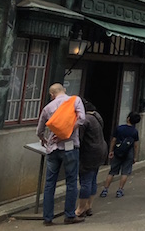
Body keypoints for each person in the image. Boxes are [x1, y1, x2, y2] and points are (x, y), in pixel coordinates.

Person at [36, 83, 86, 226]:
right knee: (71, 182)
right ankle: (69, 215)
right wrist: (68, 131)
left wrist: (43, 139)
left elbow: (39, 130)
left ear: (52, 95)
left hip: (52, 148)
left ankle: (47, 217)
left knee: (49, 183)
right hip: (70, 147)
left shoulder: (48, 108)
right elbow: (81, 119)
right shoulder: (75, 100)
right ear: (64, 90)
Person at [75, 100, 108, 218]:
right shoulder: (96, 116)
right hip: (101, 150)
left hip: (89, 153)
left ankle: (80, 209)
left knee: (85, 181)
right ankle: (89, 206)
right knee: (93, 178)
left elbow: (78, 139)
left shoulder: (84, 120)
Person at [100, 112, 141, 199]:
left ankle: (105, 190)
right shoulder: (135, 132)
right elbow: (136, 145)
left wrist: (111, 150)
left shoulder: (119, 128)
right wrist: (135, 156)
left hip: (118, 152)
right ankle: (120, 190)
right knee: (125, 172)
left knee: (112, 172)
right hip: (129, 153)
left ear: (128, 118)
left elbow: (114, 140)